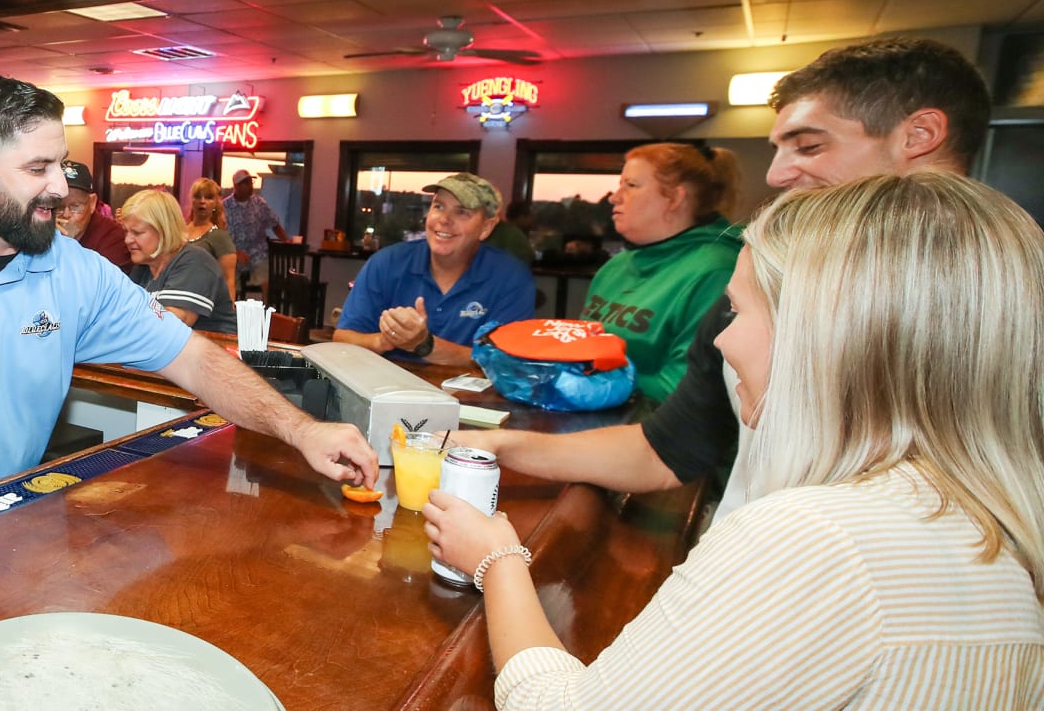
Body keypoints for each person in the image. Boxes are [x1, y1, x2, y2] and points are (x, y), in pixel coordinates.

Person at [427, 173, 1044, 707]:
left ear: (835, 339)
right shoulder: (987, 513)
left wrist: (496, 558)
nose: (722, 342)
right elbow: (661, 449)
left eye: (742, 313)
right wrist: (504, 447)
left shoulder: (816, 541)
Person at [0, 76, 377, 546]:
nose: (60, 186)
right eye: (39, 168)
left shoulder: (73, 269)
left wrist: (302, 429)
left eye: (61, 164)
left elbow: (196, 361)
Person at [446, 37, 992, 518]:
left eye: (810, 146)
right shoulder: (755, 286)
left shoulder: (1002, 303)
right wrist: (498, 446)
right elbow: (666, 448)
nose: (777, 175)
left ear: (919, 135)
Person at [578, 143, 742, 401]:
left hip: (664, 434)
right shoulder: (615, 267)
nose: (614, 197)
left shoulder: (717, 271)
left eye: (630, 185)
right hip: (596, 417)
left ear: (676, 198)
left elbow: (685, 391)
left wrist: (587, 384)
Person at [334, 173, 539, 365]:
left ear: (486, 227)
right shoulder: (386, 263)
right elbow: (342, 338)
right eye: (438, 206)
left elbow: (507, 362)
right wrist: (384, 341)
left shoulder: (511, 279)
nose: (444, 220)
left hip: (472, 402)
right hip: (388, 394)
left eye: (461, 212)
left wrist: (424, 345)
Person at [119, 188, 239, 334]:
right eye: (125, 231)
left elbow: (171, 325)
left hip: (215, 351)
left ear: (164, 230)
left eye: (137, 232)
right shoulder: (142, 268)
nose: (127, 240)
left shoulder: (196, 262)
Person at [55, 160, 130, 272]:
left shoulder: (114, 238)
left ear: (92, 203)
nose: (66, 215)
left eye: (75, 206)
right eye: (58, 207)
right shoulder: (46, 234)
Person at [221, 168, 287, 296]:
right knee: (228, 282)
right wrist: (234, 252)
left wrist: (287, 241)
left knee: (265, 279)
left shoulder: (259, 204)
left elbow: (274, 224)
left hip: (257, 252)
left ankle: (266, 311)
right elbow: (219, 236)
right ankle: (231, 310)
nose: (250, 186)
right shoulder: (225, 207)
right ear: (236, 186)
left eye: (251, 182)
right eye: (246, 183)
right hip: (234, 253)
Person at [184, 177, 238, 301]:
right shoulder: (180, 232)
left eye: (208, 197)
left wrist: (228, 315)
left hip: (206, 300)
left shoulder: (220, 237)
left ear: (215, 204)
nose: (202, 201)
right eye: (197, 197)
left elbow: (229, 281)